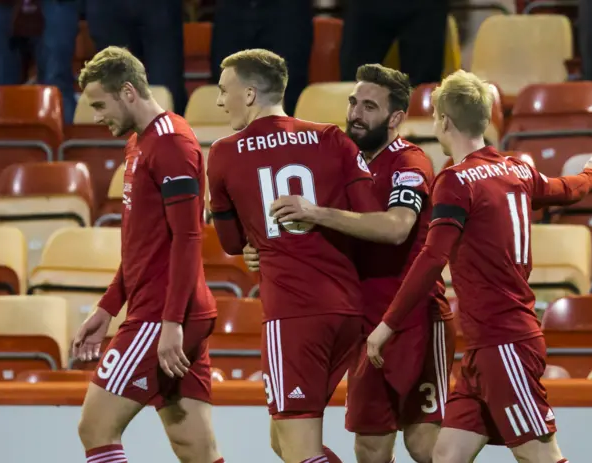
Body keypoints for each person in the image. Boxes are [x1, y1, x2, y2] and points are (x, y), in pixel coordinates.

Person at [366, 70, 592, 463]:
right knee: (446, 455)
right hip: (484, 348)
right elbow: (564, 190)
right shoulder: (518, 170)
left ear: (443, 121)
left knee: (539, 456)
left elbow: (432, 258)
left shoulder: (456, 181)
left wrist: (386, 325)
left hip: (504, 342)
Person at [267, 63, 454, 463]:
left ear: (396, 118)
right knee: (369, 449)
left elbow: (397, 227)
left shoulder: (409, 163)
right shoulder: (341, 162)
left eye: (369, 106)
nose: (355, 113)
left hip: (414, 318)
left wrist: (316, 213)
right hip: (363, 321)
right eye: (354, 102)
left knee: (425, 446)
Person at [207, 48, 381, 463]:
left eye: (223, 90)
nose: (218, 101)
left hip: (293, 312)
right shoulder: (332, 138)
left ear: (249, 95)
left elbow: (231, 243)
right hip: (347, 309)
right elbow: (371, 219)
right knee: (283, 441)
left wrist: (260, 242)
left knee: (299, 448)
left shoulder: (225, 152)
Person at [73, 46, 223, 463]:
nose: (98, 116)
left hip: (163, 315)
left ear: (127, 92)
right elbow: (144, 244)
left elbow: (189, 238)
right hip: (168, 310)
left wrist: (171, 323)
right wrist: (107, 307)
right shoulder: (140, 142)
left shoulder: (172, 143)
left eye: (101, 104)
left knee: (95, 427)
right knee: (196, 448)